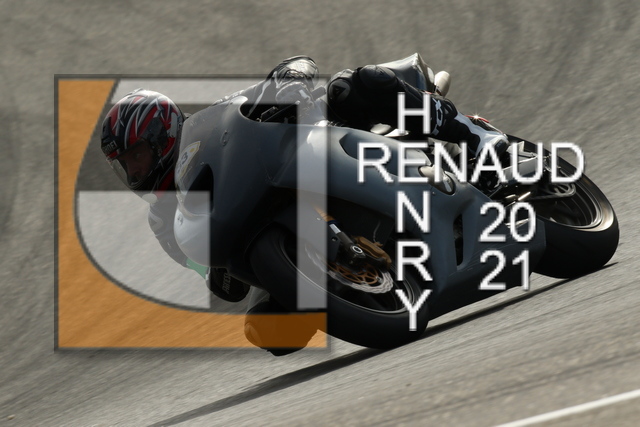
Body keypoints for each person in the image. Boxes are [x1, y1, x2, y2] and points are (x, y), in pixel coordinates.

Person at [100, 55, 509, 354]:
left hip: (317, 151)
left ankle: (474, 135)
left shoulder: (207, 124)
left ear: (164, 135)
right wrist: (216, 273)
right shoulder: (164, 220)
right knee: (268, 332)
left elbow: (288, 70)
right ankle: (361, 286)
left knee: (350, 86)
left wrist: (290, 81)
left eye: (137, 156)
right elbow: (215, 277)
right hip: (267, 237)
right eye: (125, 165)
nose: (134, 171)